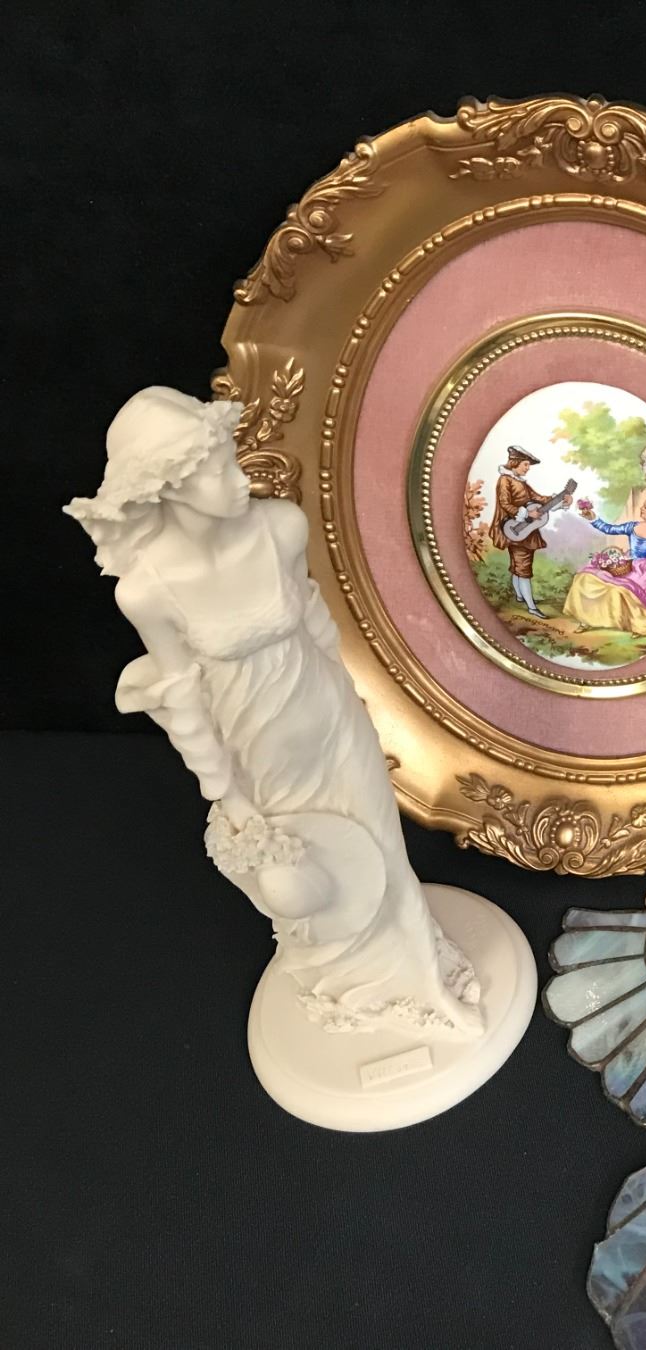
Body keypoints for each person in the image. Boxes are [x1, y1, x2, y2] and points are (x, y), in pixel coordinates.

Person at [65, 387, 483, 1036]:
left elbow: (314, 619)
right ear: (170, 488)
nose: (240, 480)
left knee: (387, 852)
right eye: (216, 473)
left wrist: (356, 704)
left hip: (331, 721)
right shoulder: (148, 591)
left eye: (232, 461)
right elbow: (183, 701)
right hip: (262, 753)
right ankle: (349, 990)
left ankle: (427, 981)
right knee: (314, 882)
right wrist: (226, 795)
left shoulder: (280, 527)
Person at [562, 495, 646, 633]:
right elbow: (609, 529)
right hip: (627, 564)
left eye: (645, 507)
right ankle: (587, 619)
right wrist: (593, 518)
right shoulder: (632, 526)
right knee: (587, 578)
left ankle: (639, 624)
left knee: (623, 591)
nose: (641, 508)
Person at [487, 445, 570, 617]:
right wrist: (525, 514)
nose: (528, 468)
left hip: (525, 530)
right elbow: (505, 503)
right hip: (514, 528)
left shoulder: (521, 482)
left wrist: (560, 499)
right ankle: (531, 607)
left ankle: (520, 596)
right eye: (525, 464)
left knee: (518, 565)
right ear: (515, 463)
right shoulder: (505, 480)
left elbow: (538, 498)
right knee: (523, 568)